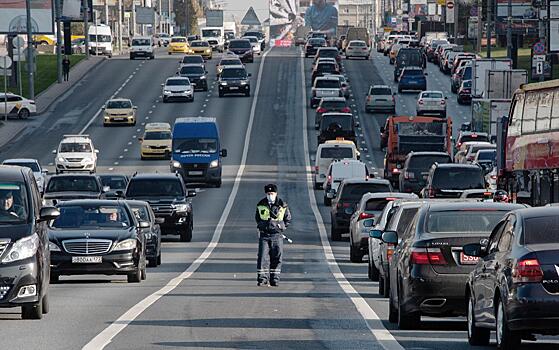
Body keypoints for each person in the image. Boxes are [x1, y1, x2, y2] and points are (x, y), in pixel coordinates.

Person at [255, 184, 291, 287]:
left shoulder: (282, 205)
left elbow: (287, 219)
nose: (270, 195)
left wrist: (280, 226)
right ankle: (262, 279)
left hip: (277, 235)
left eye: (272, 193)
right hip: (264, 235)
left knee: (277, 257)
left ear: (276, 193)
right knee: (262, 258)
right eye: (268, 193)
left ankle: (274, 279)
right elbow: (257, 218)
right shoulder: (261, 204)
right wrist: (263, 225)